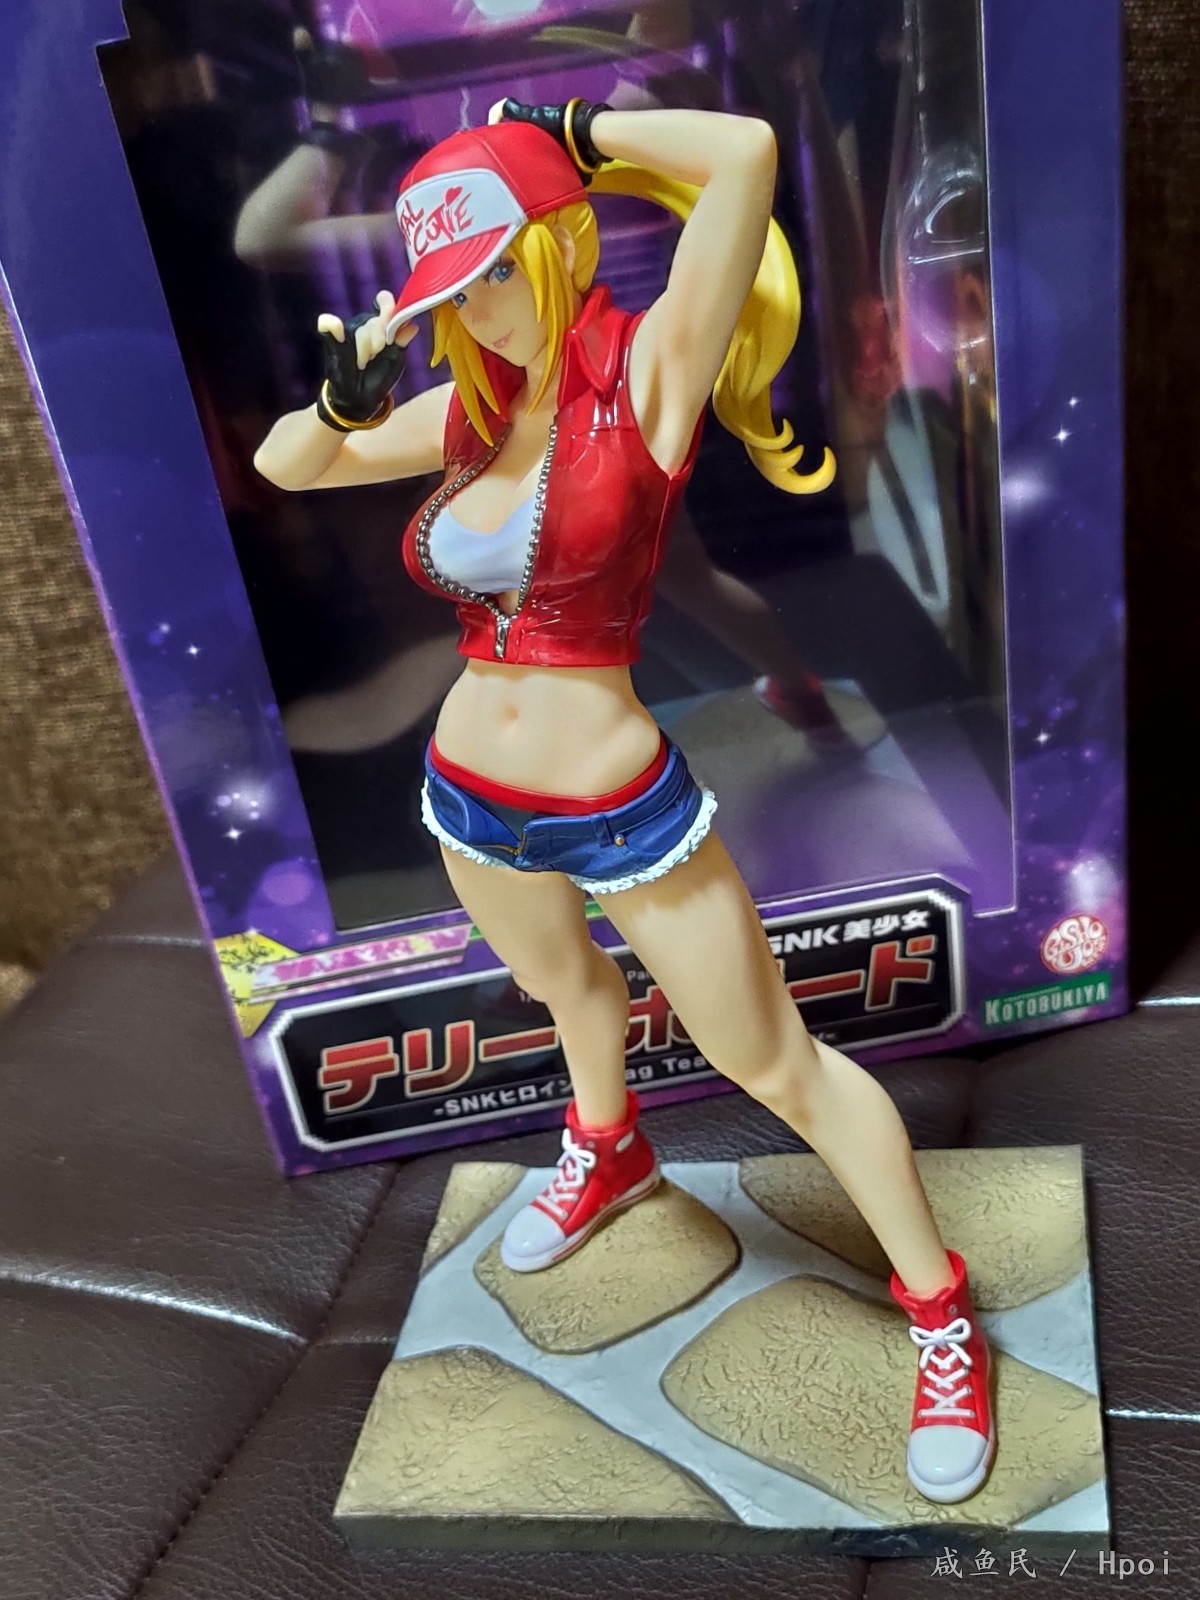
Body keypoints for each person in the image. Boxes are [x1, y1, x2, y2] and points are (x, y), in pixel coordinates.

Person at [254, 97, 993, 1506]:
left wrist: (575, 128)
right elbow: (291, 467)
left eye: (492, 274)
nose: (476, 311)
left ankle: (940, 1310)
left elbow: (748, 155)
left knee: (777, 1066)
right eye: (452, 291)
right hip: (467, 797)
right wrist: (339, 406)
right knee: (566, 994)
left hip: (619, 804)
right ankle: (606, 1148)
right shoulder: (470, 409)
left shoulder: (649, 371)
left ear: (558, 245)